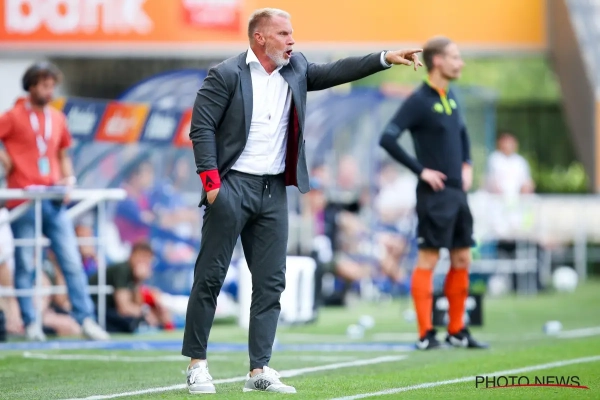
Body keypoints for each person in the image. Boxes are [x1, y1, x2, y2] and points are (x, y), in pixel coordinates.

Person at [183, 7, 423, 394]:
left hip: (274, 192)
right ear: (260, 37)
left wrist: (384, 58)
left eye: (291, 33)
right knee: (210, 277)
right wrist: (212, 186)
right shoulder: (226, 74)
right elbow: (202, 127)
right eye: (283, 34)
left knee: (271, 283)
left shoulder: (296, 68)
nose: (292, 40)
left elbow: (337, 70)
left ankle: (259, 370)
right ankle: (197, 365)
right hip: (231, 187)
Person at [379, 36, 487, 350]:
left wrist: (467, 165)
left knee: (462, 257)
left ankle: (456, 331)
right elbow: (388, 138)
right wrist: (421, 170)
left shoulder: (451, 96)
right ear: (437, 61)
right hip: (433, 195)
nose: (460, 63)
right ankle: (426, 334)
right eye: (455, 57)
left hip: (457, 194)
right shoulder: (419, 101)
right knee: (429, 257)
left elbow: (462, 134)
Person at [0, 62, 109, 341]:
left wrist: (69, 180)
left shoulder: (57, 118)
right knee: (26, 262)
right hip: (24, 200)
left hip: (53, 198)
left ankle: (85, 319)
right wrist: (5, 159)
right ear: (31, 86)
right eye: (44, 85)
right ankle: (30, 321)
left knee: (71, 260)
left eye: (52, 86)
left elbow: (63, 154)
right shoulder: (13, 115)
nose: (49, 91)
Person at [88, 242, 172, 333]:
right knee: (132, 321)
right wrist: (146, 313)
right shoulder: (122, 269)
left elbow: (137, 303)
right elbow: (124, 308)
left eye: (147, 259)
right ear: (132, 255)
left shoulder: (133, 275)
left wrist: (139, 280)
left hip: (108, 308)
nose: (144, 262)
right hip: (95, 308)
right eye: (142, 256)